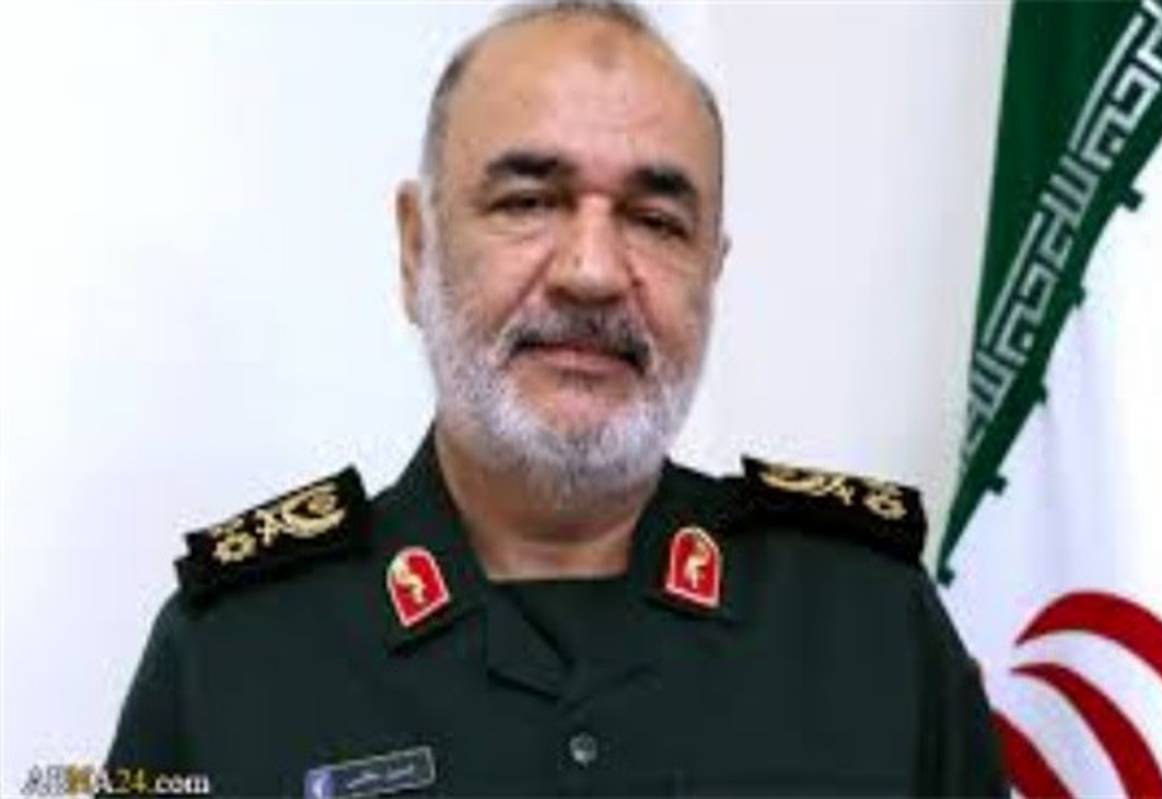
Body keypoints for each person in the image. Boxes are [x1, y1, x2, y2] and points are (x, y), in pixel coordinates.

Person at [107, 1, 1009, 796]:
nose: (592, 271)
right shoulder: (229, 652)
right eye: (529, 201)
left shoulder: (870, 629)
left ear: (711, 271)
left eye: (656, 221)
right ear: (417, 249)